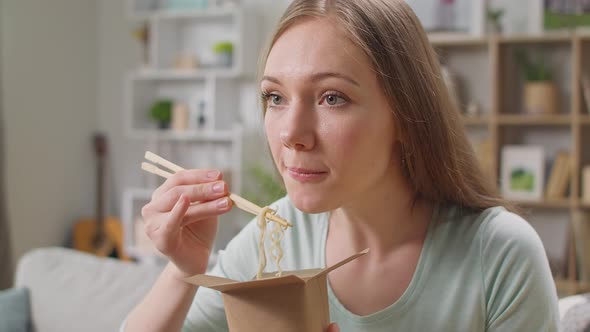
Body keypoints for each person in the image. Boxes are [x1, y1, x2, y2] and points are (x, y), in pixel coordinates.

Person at [122, 0, 559, 331]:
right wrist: (185, 271)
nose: (292, 133)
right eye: (275, 97)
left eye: (332, 98)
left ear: (407, 115)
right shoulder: (269, 242)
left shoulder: (499, 255)